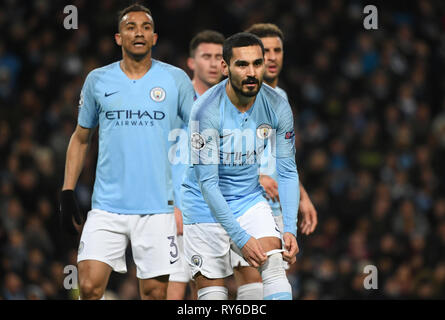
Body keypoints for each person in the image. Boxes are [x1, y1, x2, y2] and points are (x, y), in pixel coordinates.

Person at [59, 4, 195, 300]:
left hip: (159, 207)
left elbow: (197, 135)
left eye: (145, 27)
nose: (138, 33)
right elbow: (81, 138)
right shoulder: (98, 80)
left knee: (155, 294)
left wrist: (190, 196)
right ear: (118, 37)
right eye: (130, 27)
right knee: (90, 286)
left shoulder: (176, 80)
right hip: (107, 205)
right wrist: (67, 191)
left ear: (154, 38)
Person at [181, 32, 300, 300]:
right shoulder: (205, 111)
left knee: (275, 272)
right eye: (242, 65)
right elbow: (208, 184)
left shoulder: (277, 105)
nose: (251, 72)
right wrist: (242, 238)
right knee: (213, 296)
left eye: (257, 64)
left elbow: (288, 170)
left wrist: (290, 227)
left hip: (248, 200)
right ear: (225, 68)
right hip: (203, 205)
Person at [228, 23, 319, 300]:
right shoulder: (236, 97)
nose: (271, 56)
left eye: (277, 50)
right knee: (250, 277)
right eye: (264, 51)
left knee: (276, 274)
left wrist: (302, 195)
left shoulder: (281, 98)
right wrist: (253, 177)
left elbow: (284, 158)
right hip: (244, 197)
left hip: (278, 198)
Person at [167, 30, 225, 300]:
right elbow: (154, 157)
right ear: (191, 62)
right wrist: (170, 205)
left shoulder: (229, 105)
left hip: (214, 212)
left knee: (207, 289)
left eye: (219, 57)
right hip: (177, 211)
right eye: (206, 57)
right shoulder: (173, 102)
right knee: (172, 289)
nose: (214, 63)